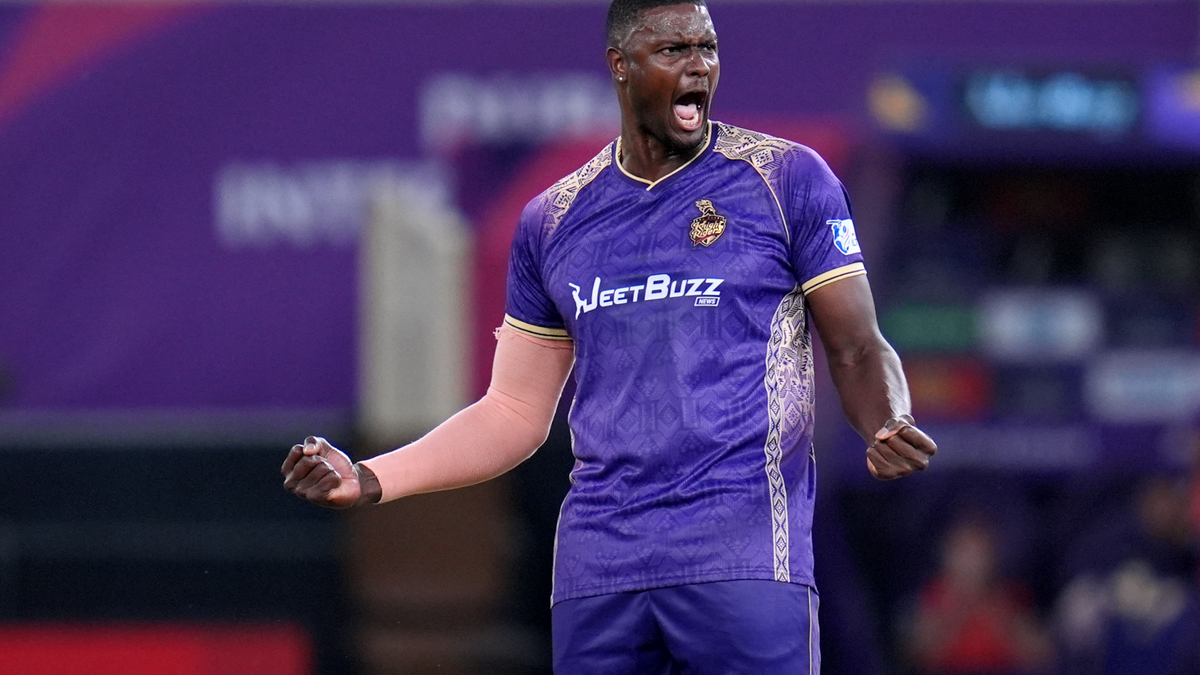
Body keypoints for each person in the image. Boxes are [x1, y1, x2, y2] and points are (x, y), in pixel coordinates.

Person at [282, 0, 937, 672]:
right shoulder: (553, 220)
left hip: (743, 561)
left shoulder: (787, 179)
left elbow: (858, 345)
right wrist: (371, 477)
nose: (698, 66)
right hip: (599, 572)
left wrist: (888, 419)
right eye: (673, 50)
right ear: (620, 65)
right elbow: (511, 412)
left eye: (707, 47)